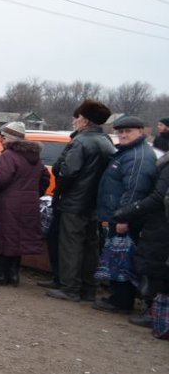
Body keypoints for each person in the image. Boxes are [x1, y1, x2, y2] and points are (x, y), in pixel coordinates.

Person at [47, 99, 116, 302]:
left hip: (75, 202)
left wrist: (60, 193)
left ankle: (70, 288)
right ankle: (88, 288)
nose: (74, 121)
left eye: (77, 117)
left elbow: (69, 172)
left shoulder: (81, 141)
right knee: (90, 246)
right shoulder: (106, 141)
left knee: (71, 244)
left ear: (85, 120)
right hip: (93, 202)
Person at [92, 115, 157, 313]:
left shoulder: (138, 156)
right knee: (117, 256)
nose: (123, 135)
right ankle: (118, 297)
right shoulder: (128, 153)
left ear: (141, 132)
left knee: (123, 258)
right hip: (118, 214)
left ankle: (121, 300)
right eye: (120, 132)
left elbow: (135, 189)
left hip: (126, 217)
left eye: (128, 131)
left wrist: (123, 217)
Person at [0, 122, 50, 286]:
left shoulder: (9, 155)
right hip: (28, 203)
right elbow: (45, 178)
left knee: (3, 237)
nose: (1, 141)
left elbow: (0, 179)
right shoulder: (34, 157)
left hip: (9, 202)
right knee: (18, 238)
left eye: (2, 137)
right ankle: (13, 274)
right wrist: (33, 193)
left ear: (7, 138)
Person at [111, 150, 169, 327]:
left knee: (154, 265)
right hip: (158, 222)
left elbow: (158, 197)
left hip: (161, 224)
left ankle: (154, 312)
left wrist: (128, 212)